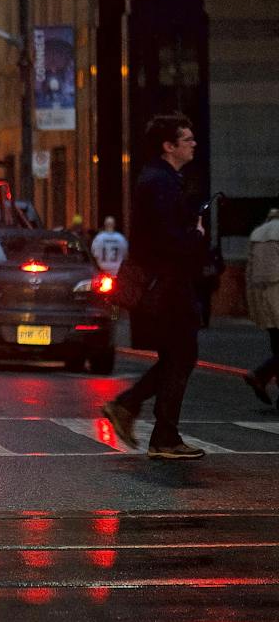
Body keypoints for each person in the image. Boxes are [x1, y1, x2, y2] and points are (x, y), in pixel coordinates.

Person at [100, 113, 208, 460]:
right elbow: (166, 239)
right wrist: (196, 234)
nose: (193, 144)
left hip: (167, 284)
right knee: (181, 355)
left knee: (177, 357)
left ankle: (150, 424)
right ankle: (153, 428)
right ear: (169, 146)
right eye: (187, 139)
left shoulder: (164, 179)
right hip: (166, 286)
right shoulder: (160, 182)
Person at [242, 207, 279, 409]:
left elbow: (249, 270)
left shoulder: (258, 233)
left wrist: (252, 303)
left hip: (262, 296)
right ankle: (260, 374)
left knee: (276, 344)